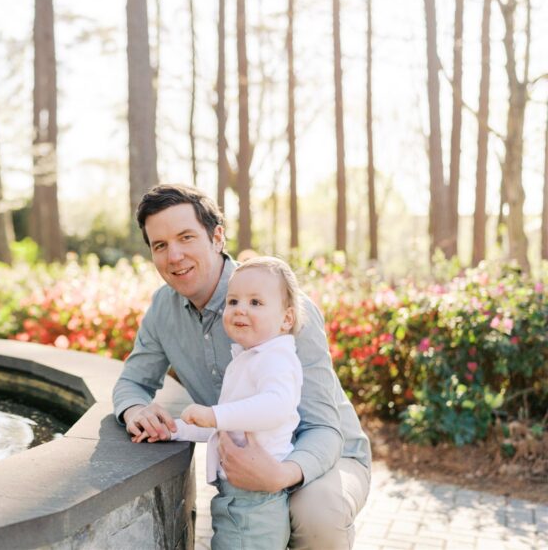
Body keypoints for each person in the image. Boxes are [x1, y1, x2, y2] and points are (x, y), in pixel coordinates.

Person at [113, 184, 371, 549]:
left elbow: (325, 428)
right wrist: (135, 409)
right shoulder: (162, 310)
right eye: (160, 245)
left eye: (186, 237)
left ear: (217, 236)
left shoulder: (285, 307)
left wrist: (280, 475)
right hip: (246, 464)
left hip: (325, 455)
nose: (175, 256)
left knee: (316, 515)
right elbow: (131, 383)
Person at [143, 257, 305, 549]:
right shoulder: (248, 358)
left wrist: (214, 415)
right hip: (237, 497)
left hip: (256, 502)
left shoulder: (275, 358)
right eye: (233, 301)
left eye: (256, 302)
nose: (241, 309)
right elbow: (225, 428)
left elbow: (276, 406)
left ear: (286, 319)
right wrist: (174, 430)